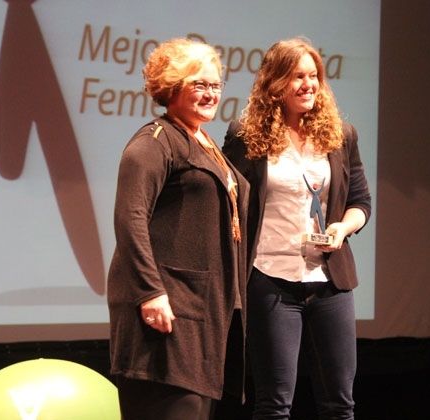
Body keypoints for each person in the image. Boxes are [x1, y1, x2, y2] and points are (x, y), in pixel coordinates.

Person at [223, 37, 371, 419]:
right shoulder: (245, 135)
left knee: (340, 404)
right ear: (275, 83)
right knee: (274, 404)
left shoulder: (341, 135)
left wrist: (342, 228)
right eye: (297, 77)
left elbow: (360, 203)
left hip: (330, 281)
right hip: (270, 278)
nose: (309, 85)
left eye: (314, 76)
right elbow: (228, 204)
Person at [107, 38, 249, 420]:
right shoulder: (155, 141)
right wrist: (150, 292)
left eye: (216, 84)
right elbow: (130, 217)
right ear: (172, 86)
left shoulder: (205, 142)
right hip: (167, 314)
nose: (211, 93)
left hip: (202, 314)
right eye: (199, 84)